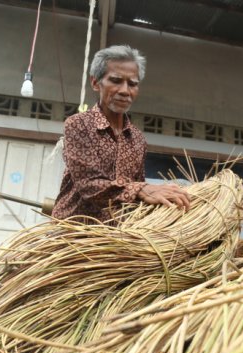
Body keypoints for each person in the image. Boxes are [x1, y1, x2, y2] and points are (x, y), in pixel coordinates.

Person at [52, 45, 191, 222]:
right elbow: (89, 185)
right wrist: (142, 189)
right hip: (75, 235)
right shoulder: (79, 125)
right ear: (95, 83)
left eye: (132, 84)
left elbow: (136, 195)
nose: (125, 91)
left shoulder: (138, 139)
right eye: (116, 81)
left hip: (118, 238)